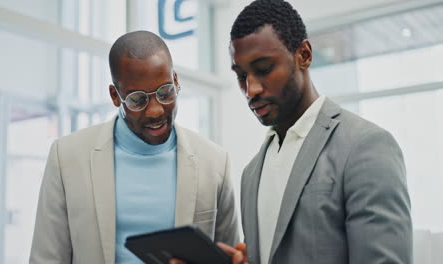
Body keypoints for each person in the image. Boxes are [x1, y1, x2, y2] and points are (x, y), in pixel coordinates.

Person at [219, 0, 413, 263]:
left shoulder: (365, 146)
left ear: (304, 55)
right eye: (241, 76)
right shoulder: (251, 173)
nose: (251, 89)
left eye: (264, 69)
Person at [30, 30, 239, 264]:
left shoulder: (214, 162)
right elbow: (46, 258)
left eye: (165, 92)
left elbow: (230, 258)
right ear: (115, 96)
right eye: (137, 99)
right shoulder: (67, 157)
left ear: (176, 81)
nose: (155, 111)